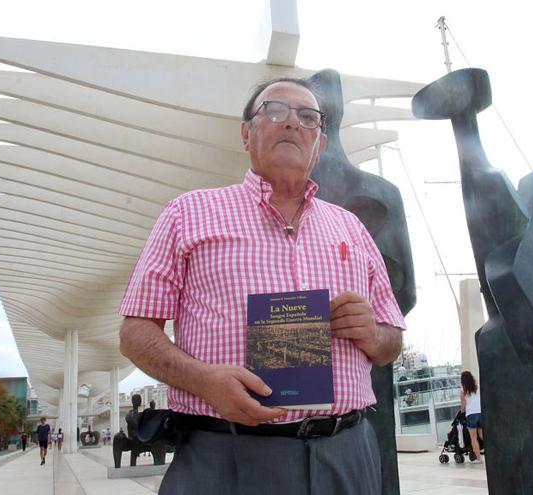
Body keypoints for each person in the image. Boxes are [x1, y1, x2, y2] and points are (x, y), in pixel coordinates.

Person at [118, 77, 405, 495]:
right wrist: (205, 381)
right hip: (225, 456)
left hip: (347, 456)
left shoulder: (352, 228)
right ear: (246, 132)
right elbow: (134, 334)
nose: (292, 123)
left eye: (308, 117)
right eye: (275, 111)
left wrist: (373, 333)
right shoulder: (187, 215)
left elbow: (391, 340)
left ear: (320, 143)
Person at [460, 371, 483, 463]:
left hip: (471, 415)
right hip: (481, 413)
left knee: (474, 438)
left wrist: (462, 412)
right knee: (482, 435)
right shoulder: (478, 387)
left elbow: (463, 405)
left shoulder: (463, 390)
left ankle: (478, 459)